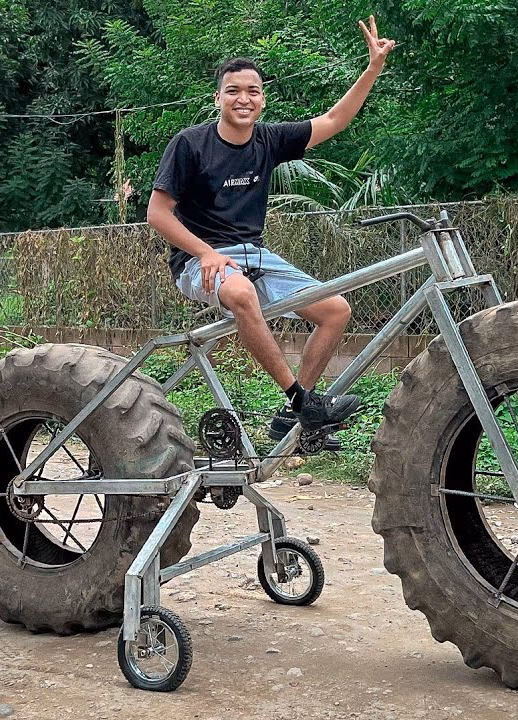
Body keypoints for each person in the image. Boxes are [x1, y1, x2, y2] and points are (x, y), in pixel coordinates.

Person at [146, 17, 396, 449]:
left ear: (262, 99)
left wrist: (372, 68)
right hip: (197, 262)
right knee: (240, 293)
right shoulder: (190, 144)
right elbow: (158, 213)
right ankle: (302, 402)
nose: (243, 99)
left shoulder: (270, 140)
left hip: (255, 256)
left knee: (335, 310)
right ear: (218, 98)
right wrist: (206, 253)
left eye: (253, 91)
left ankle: (289, 418)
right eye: (233, 91)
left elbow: (335, 120)